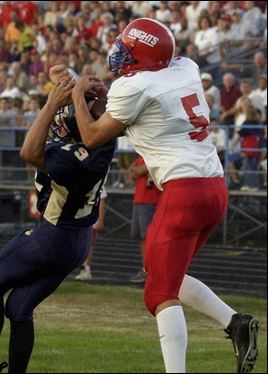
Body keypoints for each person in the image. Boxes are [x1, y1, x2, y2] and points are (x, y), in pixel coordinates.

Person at [70, 18, 259, 373]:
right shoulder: (184, 67)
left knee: (158, 293)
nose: (119, 55)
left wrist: (78, 93)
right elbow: (138, 105)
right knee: (165, 275)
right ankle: (235, 323)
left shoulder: (137, 85)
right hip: (215, 189)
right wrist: (98, 98)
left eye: (128, 50)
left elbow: (93, 135)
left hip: (184, 191)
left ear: (142, 57)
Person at [0, 70, 115, 373]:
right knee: (20, 307)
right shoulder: (101, 144)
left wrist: (51, 105)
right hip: (77, 240)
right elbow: (84, 113)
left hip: (54, 236)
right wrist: (69, 81)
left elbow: (28, 152)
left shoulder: (67, 155)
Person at [128, 155, 161, 283]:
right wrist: (136, 170)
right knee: (142, 237)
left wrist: (137, 170)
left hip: (151, 200)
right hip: (139, 200)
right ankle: (146, 268)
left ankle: (153, 270)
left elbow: (137, 171)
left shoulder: (155, 155)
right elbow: (130, 173)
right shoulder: (141, 156)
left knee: (149, 237)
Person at [75, 187, 107, 281]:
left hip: (89, 216)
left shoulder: (96, 178)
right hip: (77, 215)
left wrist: (100, 219)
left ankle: (86, 269)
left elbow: (101, 200)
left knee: (87, 243)